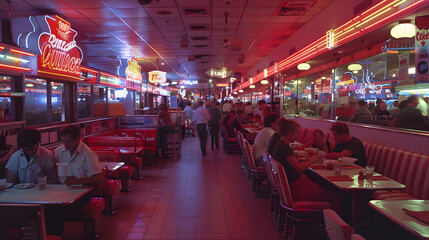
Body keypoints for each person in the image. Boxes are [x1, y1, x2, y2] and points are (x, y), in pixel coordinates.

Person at [272, 119, 342, 214]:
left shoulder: (279, 145)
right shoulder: (285, 147)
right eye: (297, 133)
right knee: (335, 196)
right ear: (290, 132)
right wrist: (312, 159)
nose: (298, 135)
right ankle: (334, 226)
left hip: (292, 186)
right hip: (297, 188)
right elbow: (299, 169)